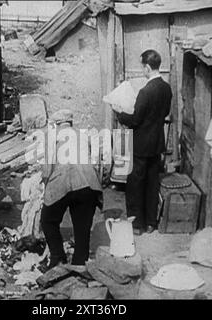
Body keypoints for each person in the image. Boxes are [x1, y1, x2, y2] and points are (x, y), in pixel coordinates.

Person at [114, 50, 172, 235]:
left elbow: (135, 120)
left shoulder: (145, 92)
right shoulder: (166, 88)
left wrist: (119, 113)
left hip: (140, 145)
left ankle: (136, 224)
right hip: (156, 143)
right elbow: (163, 114)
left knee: (135, 184)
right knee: (152, 183)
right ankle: (150, 223)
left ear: (147, 67)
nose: (142, 70)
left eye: (142, 67)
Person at [40, 110, 103, 270]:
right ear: (70, 123)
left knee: (48, 220)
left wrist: (46, 187)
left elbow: (47, 170)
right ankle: (79, 265)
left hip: (63, 181)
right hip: (88, 183)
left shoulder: (51, 136)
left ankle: (58, 257)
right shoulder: (82, 134)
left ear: (56, 124)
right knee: (82, 227)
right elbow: (94, 161)